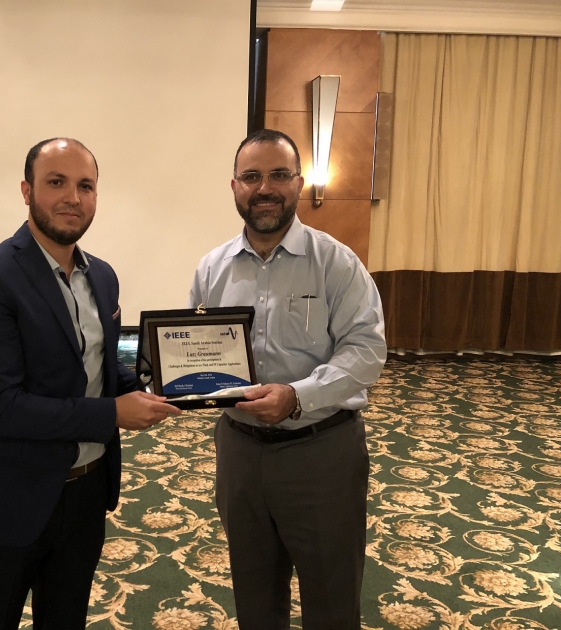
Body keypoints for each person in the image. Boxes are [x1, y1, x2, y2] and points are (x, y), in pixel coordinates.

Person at [0, 137, 179, 629]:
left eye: (85, 186)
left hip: (86, 494)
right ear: (27, 191)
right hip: (5, 499)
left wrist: (159, 385)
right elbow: (1, 407)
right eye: (57, 182)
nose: (73, 197)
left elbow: (97, 368)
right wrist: (113, 413)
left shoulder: (103, 277)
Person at [189, 129, 386, 629]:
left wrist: (298, 396)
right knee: (254, 595)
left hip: (321, 454)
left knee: (331, 598)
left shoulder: (336, 262)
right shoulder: (211, 269)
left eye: (278, 175)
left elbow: (367, 350)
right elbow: (195, 352)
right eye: (251, 177)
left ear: (298, 183)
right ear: (234, 186)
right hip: (239, 452)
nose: (265, 188)